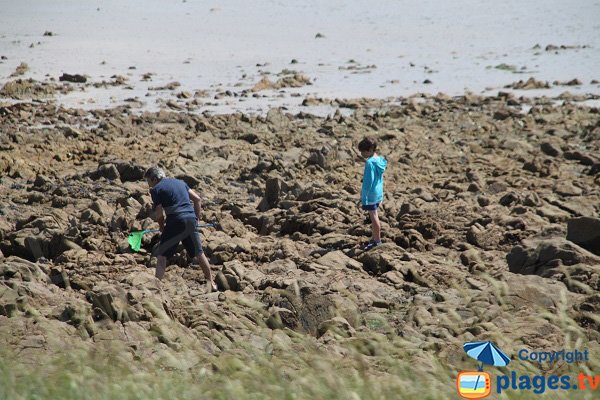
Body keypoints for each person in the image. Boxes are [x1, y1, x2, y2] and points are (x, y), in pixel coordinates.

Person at [144, 166, 217, 291]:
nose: (149, 185)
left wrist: (161, 227)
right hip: (190, 220)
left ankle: (156, 288)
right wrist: (196, 219)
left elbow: (159, 211)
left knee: (162, 256)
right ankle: (212, 283)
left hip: (175, 221)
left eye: (149, 182)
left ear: (154, 179)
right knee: (199, 253)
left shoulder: (156, 189)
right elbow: (197, 199)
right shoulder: (180, 182)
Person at [358, 137, 388, 251]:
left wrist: (364, 197)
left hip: (371, 193)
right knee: (374, 215)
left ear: (370, 150)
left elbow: (368, 182)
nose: (361, 154)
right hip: (378, 191)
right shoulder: (379, 159)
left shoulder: (370, 163)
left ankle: (377, 241)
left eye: (363, 152)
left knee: (374, 217)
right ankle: (375, 237)